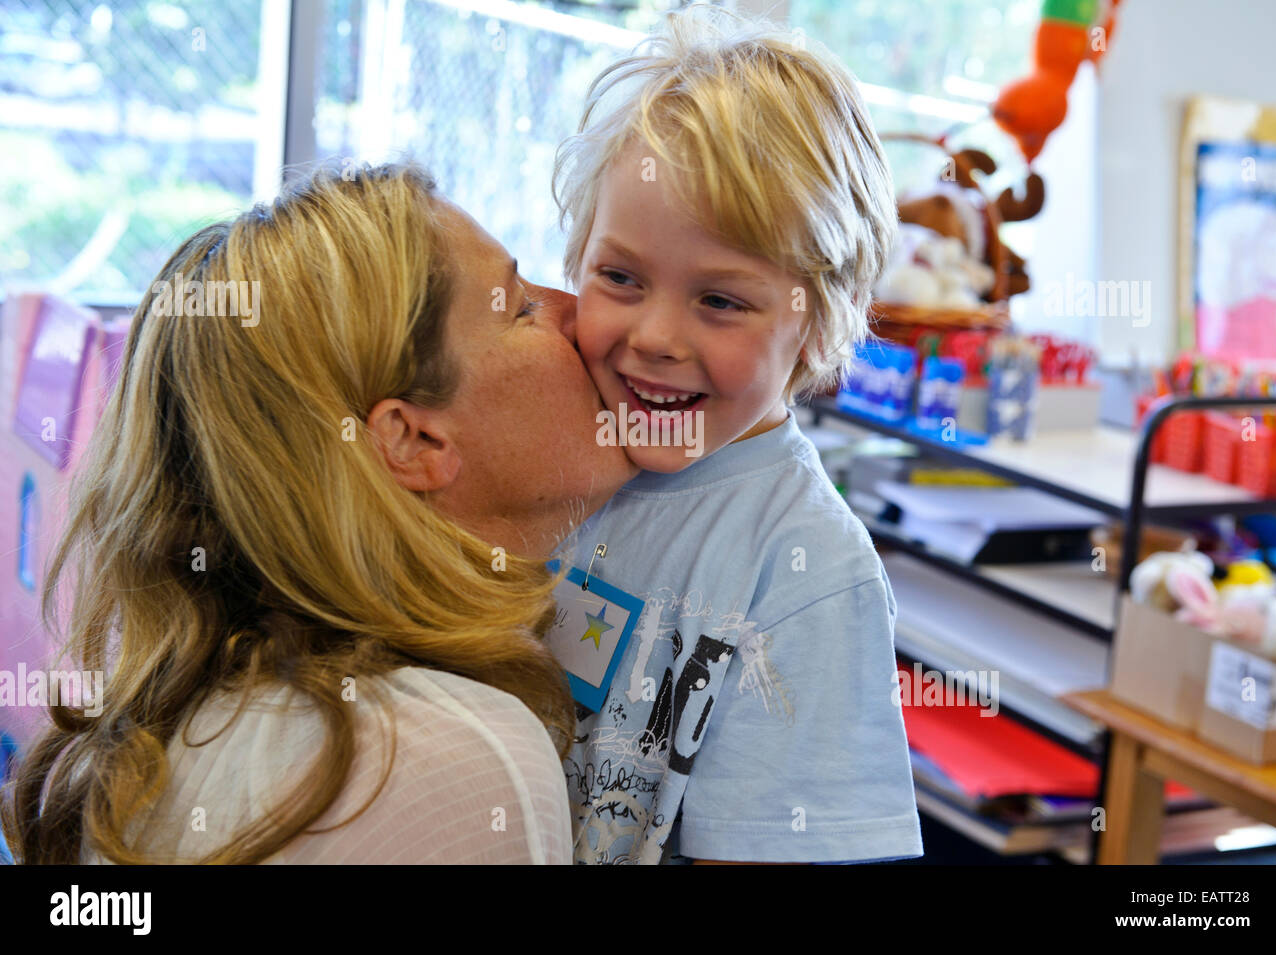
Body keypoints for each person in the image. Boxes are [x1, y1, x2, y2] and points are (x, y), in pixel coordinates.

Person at [0, 163, 638, 864]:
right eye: (519, 308)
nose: (578, 311)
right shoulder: (453, 759)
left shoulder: (184, 718)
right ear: (411, 439)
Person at [550, 5, 924, 863]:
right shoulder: (547, 438)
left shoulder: (810, 574)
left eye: (719, 300)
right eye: (620, 277)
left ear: (818, 324)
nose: (654, 337)